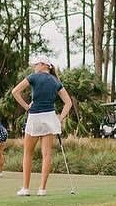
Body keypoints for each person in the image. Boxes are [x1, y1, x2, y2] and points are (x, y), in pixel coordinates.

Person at [10, 56, 73, 196]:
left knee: (28, 153)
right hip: (50, 118)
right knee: (46, 155)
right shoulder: (56, 81)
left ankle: (26, 188)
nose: (34, 67)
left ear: (44, 65)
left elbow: (15, 92)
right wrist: (60, 117)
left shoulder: (33, 77)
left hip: (35, 117)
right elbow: (68, 103)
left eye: (36, 64)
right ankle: (42, 189)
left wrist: (27, 106)